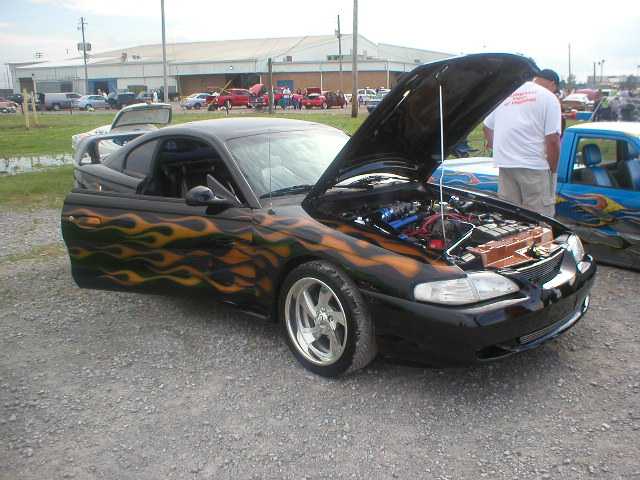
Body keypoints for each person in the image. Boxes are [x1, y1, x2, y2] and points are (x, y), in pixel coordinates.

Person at [483, 69, 561, 217]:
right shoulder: (549, 98)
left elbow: (487, 126)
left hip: (506, 165)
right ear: (552, 83)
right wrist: (553, 170)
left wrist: (495, 147)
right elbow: (553, 140)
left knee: (510, 218)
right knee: (539, 221)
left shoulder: (507, 95)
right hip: (534, 167)